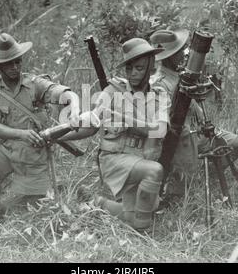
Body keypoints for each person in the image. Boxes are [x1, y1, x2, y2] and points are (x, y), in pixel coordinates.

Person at [60, 38, 169, 231]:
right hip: (115, 158)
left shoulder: (159, 96)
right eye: (129, 68)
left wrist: (124, 118)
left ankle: (96, 202)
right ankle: (143, 234)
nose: (133, 73)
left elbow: (159, 130)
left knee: (133, 214)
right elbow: (92, 125)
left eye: (139, 68)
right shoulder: (112, 91)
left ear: (151, 68)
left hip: (141, 158)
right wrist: (59, 136)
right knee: (154, 171)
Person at [0, 33, 80, 211]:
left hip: (32, 153)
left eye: (18, 61)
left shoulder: (35, 84)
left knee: (27, 209)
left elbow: (64, 93)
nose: (15, 67)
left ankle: (66, 189)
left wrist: (75, 108)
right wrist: (21, 134)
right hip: (5, 147)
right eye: (9, 63)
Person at [149, 29, 238, 205]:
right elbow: (164, 125)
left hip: (200, 132)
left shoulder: (183, 74)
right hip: (182, 139)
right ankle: (180, 181)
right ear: (169, 56)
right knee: (179, 199)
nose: (185, 52)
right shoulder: (159, 84)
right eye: (180, 50)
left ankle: (206, 174)